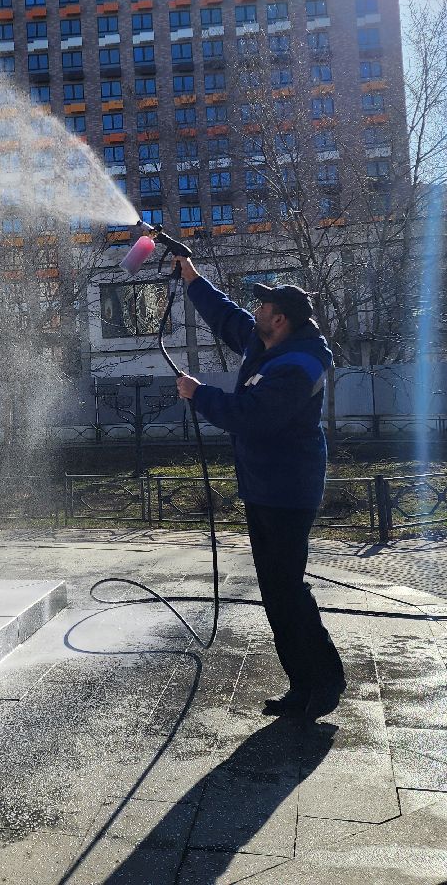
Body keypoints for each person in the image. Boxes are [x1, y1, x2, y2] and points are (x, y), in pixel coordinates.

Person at [174, 258, 346, 721]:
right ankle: (301, 686)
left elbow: (252, 417)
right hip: (262, 487)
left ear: (281, 318)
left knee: (287, 589)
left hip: (288, 491)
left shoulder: (298, 365)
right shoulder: (268, 343)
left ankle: (325, 682)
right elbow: (227, 316)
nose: (257, 308)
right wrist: (191, 277)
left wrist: (200, 393)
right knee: (275, 591)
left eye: (264, 303)